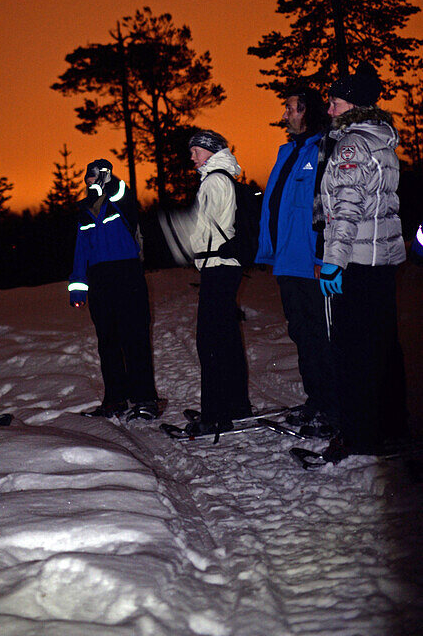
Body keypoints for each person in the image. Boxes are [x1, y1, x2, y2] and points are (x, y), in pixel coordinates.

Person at [318, 61, 408, 461]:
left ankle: (359, 435)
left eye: (335, 103)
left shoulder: (353, 144)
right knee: (382, 344)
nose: (330, 110)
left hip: (357, 261)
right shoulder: (382, 140)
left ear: (352, 106)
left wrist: (333, 263)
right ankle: (390, 428)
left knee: (352, 349)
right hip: (383, 261)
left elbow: (349, 207)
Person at [255, 86, 337, 437]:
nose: (285, 114)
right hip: (287, 262)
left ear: (306, 111)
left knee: (322, 335)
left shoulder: (324, 149)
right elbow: (276, 206)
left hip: (312, 263)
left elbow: (326, 208)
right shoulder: (287, 152)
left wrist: (323, 257)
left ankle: (334, 406)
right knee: (302, 333)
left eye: (290, 108)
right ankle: (316, 401)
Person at [161, 130, 252, 436]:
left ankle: (215, 414)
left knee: (210, 342)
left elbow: (204, 224)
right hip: (225, 266)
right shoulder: (222, 177)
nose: (191, 156)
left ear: (209, 151)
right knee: (225, 338)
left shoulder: (214, 180)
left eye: (195, 150)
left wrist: (172, 232)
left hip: (217, 266)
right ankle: (235, 405)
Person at [68, 158, 159, 421]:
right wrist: (78, 286)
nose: (92, 179)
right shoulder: (84, 209)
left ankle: (145, 399)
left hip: (127, 273)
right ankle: (115, 399)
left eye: (98, 174)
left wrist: (110, 181)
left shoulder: (122, 201)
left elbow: (120, 192)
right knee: (107, 341)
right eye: (89, 175)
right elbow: (80, 250)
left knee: (135, 338)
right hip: (99, 279)